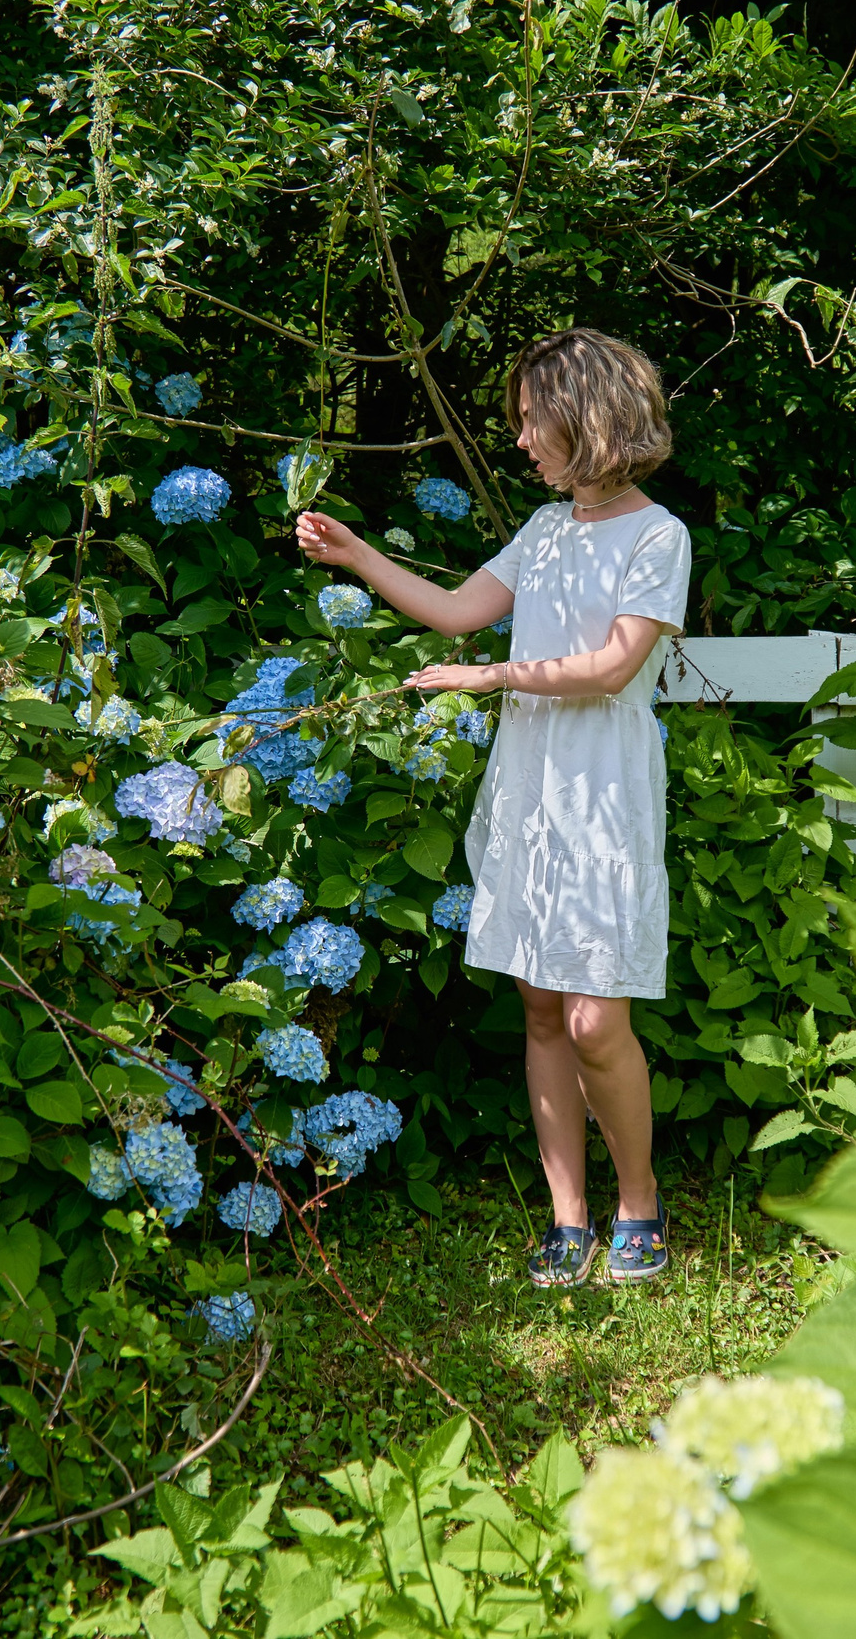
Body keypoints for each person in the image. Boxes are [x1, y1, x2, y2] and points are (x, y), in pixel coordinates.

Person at [295, 328, 691, 1287]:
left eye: (529, 420)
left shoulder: (657, 535)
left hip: (602, 793)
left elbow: (611, 667)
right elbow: (458, 610)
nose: (520, 440)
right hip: (529, 790)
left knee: (600, 1019)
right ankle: (569, 1219)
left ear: (584, 416)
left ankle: (638, 1202)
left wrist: (490, 676)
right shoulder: (547, 532)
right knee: (543, 1007)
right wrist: (357, 558)